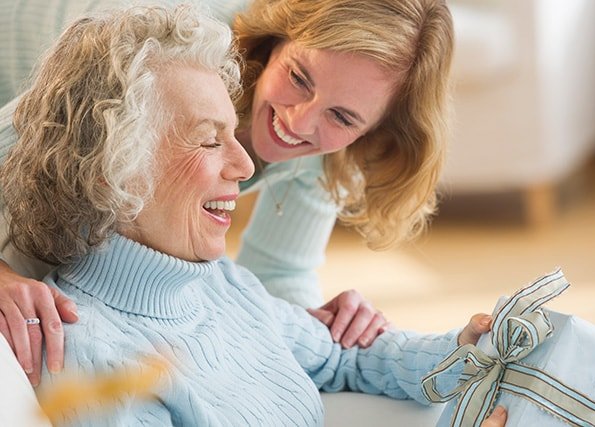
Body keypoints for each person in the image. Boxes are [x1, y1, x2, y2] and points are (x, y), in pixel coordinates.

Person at [0, 4, 508, 426]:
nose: (299, 121)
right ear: (273, 46)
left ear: (368, 133)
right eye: (299, 78)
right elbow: (69, 152)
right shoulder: (164, 65)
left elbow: (287, 293)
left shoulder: (229, 283)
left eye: (342, 117)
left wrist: (308, 326)